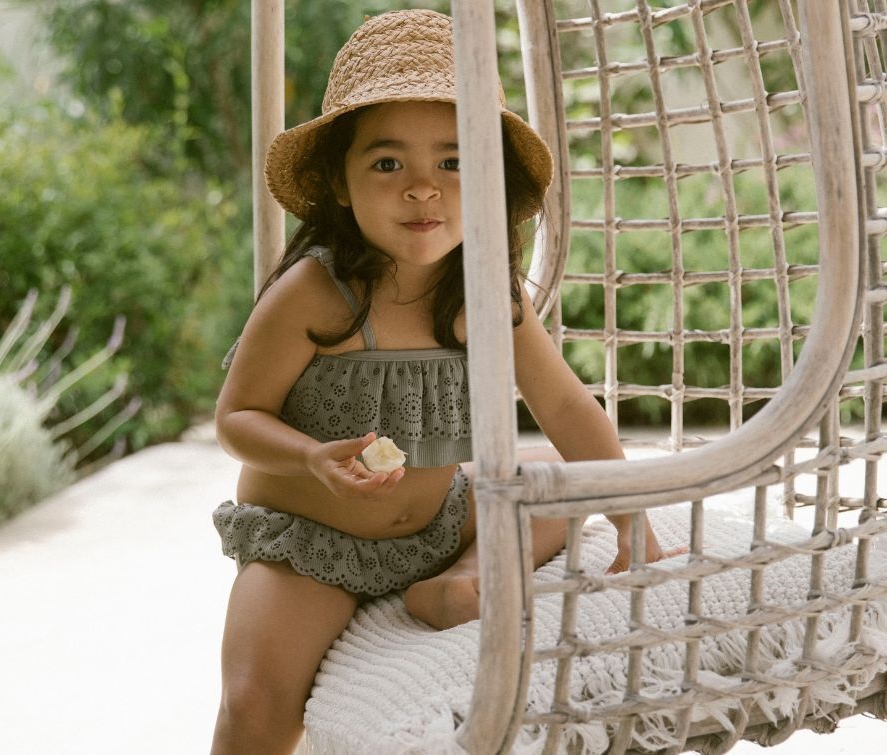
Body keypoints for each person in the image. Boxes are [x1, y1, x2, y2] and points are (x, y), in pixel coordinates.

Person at [209, 9, 678, 754]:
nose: (423, 190)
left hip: (439, 521)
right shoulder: (315, 294)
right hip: (312, 545)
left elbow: (563, 404)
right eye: (388, 164)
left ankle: (460, 580)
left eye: (454, 163)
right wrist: (310, 457)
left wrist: (630, 520)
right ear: (339, 181)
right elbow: (237, 417)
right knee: (254, 701)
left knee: (558, 480)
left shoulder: (485, 292)